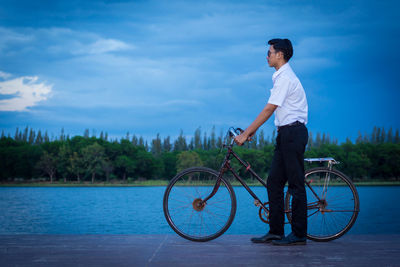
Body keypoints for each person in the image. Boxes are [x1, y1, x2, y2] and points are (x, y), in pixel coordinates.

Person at [234, 38, 308, 246]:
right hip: (285, 134)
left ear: (280, 55)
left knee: (295, 185)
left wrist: (247, 132)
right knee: (274, 182)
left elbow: (269, 108)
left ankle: (299, 234)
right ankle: (276, 231)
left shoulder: (285, 78)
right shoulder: (280, 77)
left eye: (269, 52)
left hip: (293, 134)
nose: (267, 56)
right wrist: (250, 132)